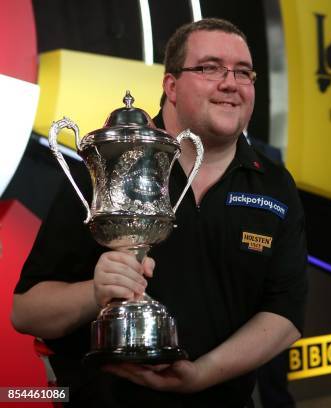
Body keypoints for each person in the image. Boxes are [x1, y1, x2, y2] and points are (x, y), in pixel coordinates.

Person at [12, 18, 307, 407]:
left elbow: (284, 314)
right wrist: (95, 292)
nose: (231, 83)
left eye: (243, 72)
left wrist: (201, 375)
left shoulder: (275, 185)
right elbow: (26, 312)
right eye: (209, 68)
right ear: (171, 85)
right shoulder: (108, 167)